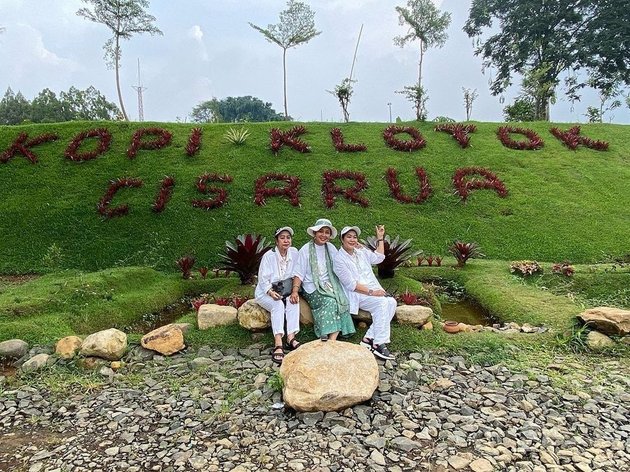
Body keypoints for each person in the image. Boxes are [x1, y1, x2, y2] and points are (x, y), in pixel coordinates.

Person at [333, 225, 397, 360]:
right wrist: (373, 292)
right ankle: (379, 343)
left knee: (391, 302)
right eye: (348, 237)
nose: (352, 240)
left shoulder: (360, 251)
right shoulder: (339, 259)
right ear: (342, 239)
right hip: (357, 294)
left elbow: (379, 257)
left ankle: (368, 339)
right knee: (382, 303)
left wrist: (380, 238)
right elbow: (351, 285)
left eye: (354, 237)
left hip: (372, 291)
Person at [291, 218, 355, 341]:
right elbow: (298, 273)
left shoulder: (330, 248)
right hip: (312, 288)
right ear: (315, 233)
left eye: (327, 232)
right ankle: (328, 334)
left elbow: (341, 264)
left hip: (330, 285)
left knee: (340, 298)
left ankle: (332, 337)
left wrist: (355, 248)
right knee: (330, 301)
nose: (324, 235)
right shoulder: (305, 249)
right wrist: (294, 291)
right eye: (321, 231)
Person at [255, 226, 301, 365]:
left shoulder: (294, 252)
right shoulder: (268, 256)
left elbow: (296, 273)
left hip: (285, 289)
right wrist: (270, 291)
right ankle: (278, 342)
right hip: (266, 291)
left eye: (288, 237)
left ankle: (291, 337)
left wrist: (294, 291)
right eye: (282, 238)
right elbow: (263, 279)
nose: (286, 240)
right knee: (278, 305)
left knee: (294, 301)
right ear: (276, 241)